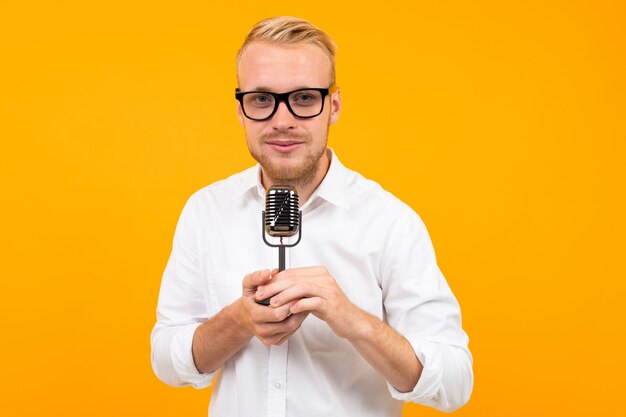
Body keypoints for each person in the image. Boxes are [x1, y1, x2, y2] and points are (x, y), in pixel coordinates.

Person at [150, 16, 473, 417]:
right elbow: (167, 362)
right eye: (262, 99)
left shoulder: (390, 222)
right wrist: (238, 320)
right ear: (241, 109)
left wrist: (352, 320)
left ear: (332, 106)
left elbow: (455, 384)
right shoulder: (206, 211)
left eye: (303, 99)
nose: (282, 120)